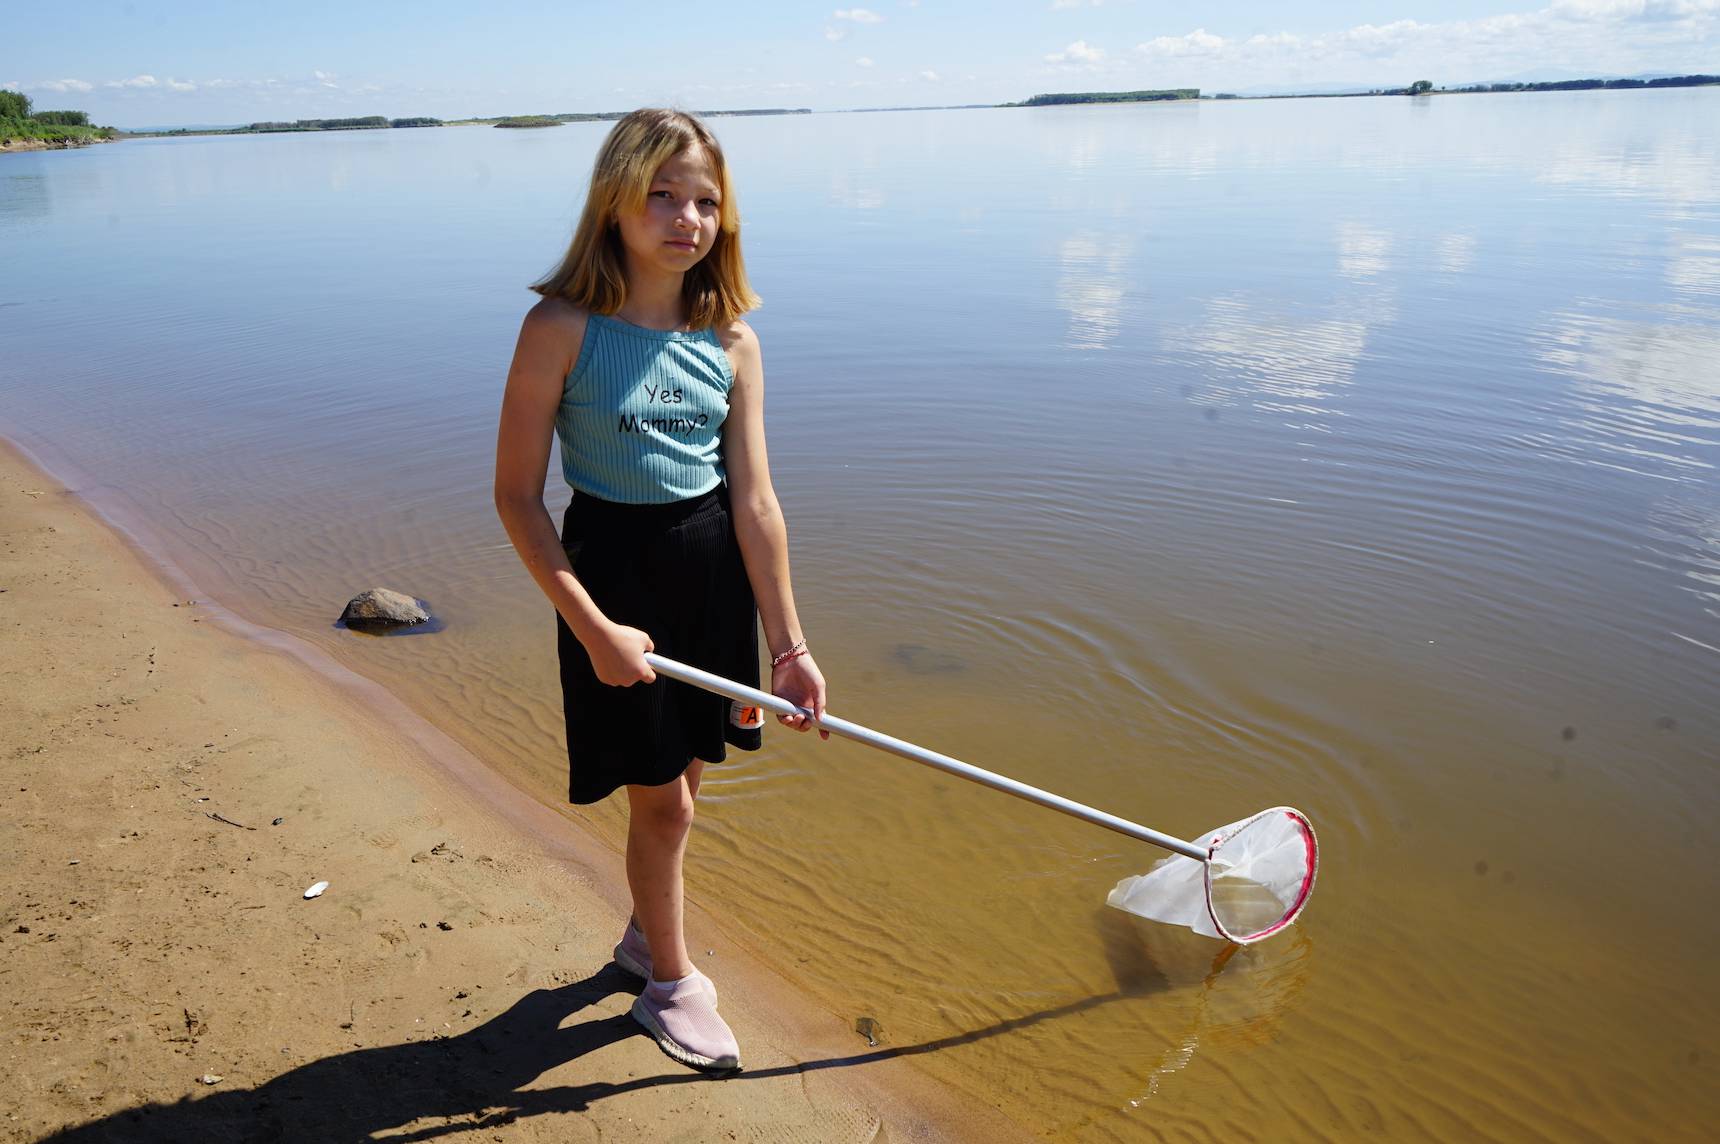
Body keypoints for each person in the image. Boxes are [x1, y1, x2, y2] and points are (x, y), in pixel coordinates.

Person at [493, 109, 826, 1073]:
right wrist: (593, 628)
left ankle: (644, 938)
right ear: (616, 200)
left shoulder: (732, 342)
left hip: (711, 569)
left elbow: (757, 501)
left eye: (707, 201)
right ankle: (671, 987)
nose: (687, 217)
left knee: (684, 780)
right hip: (611, 579)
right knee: (664, 807)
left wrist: (791, 647)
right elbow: (517, 497)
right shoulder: (560, 329)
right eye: (664, 195)